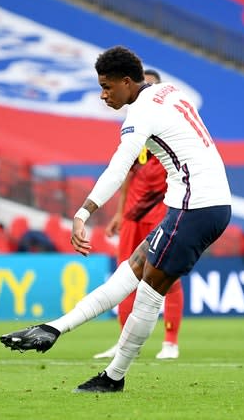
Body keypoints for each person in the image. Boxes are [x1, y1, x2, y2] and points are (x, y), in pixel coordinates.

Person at [0, 46, 231, 393]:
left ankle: (114, 377)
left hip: (194, 205)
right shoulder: (169, 91)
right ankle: (55, 328)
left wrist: (83, 213)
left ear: (127, 82)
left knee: (149, 292)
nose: (103, 94)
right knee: (133, 268)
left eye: (107, 87)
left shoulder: (140, 113)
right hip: (205, 201)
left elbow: (118, 168)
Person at [93, 69, 184, 361]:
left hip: (161, 209)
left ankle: (170, 342)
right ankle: (122, 343)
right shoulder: (134, 126)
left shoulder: (171, 125)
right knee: (125, 275)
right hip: (133, 213)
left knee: (168, 277)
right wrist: (119, 213)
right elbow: (128, 173)